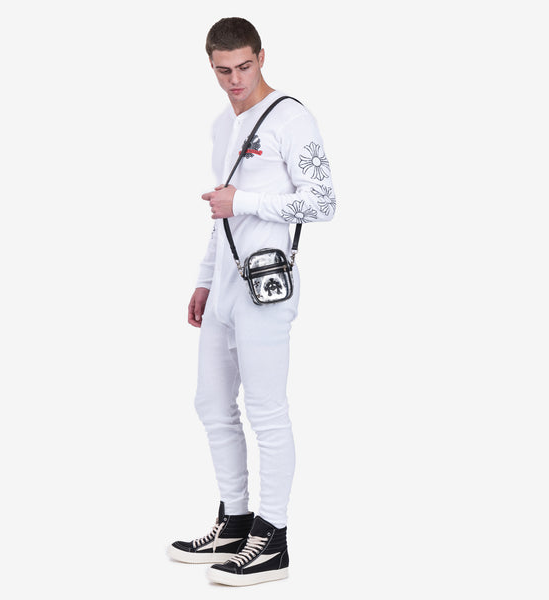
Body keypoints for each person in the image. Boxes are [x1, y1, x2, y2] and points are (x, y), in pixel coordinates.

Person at [167, 17, 336, 586]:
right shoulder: (223, 124)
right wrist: (203, 279)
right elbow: (221, 212)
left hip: (266, 283)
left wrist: (245, 201)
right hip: (224, 282)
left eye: (244, 66)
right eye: (223, 71)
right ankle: (235, 522)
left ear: (262, 57)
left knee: (266, 411)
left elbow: (323, 201)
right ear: (211, 66)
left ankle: (273, 538)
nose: (235, 80)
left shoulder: (292, 118)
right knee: (211, 404)